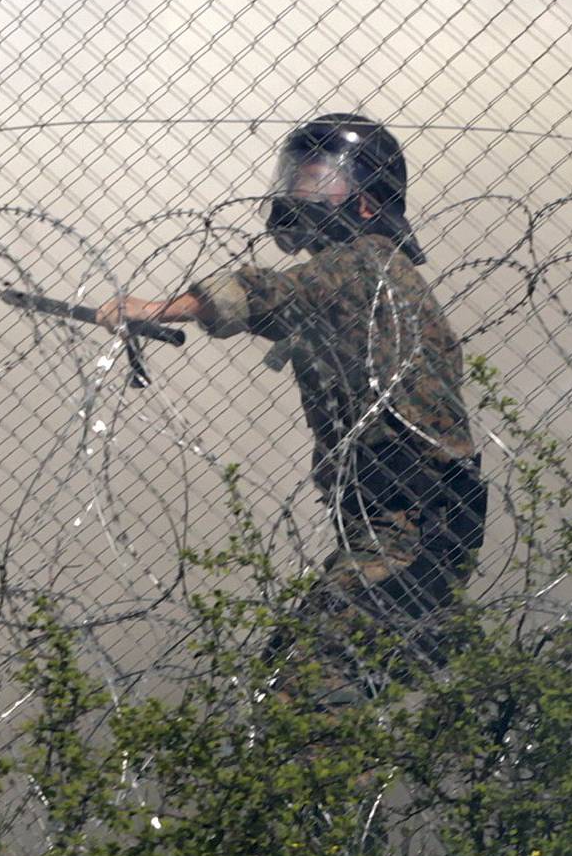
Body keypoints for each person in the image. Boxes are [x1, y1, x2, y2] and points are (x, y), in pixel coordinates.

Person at [97, 116, 486, 704]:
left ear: (366, 199)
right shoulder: (360, 273)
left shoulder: (366, 264)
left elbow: (262, 293)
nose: (300, 191)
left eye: (320, 178)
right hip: (400, 516)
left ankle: (327, 788)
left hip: (412, 518)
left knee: (310, 685)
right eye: (296, 176)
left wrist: (156, 307)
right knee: (326, 667)